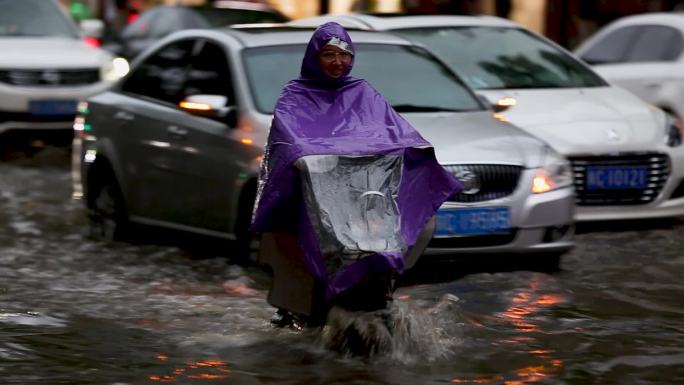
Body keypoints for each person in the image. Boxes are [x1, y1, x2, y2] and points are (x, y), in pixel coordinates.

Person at [251, 22, 461, 329]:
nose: (338, 62)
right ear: (314, 57)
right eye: (329, 54)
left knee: (411, 228)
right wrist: (303, 158)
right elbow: (287, 139)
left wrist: (413, 148)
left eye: (344, 54)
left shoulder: (362, 92)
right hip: (313, 193)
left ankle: (385, 285)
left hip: (365, 196)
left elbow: (394, 131)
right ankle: (297, 302)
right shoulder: (294, 96)